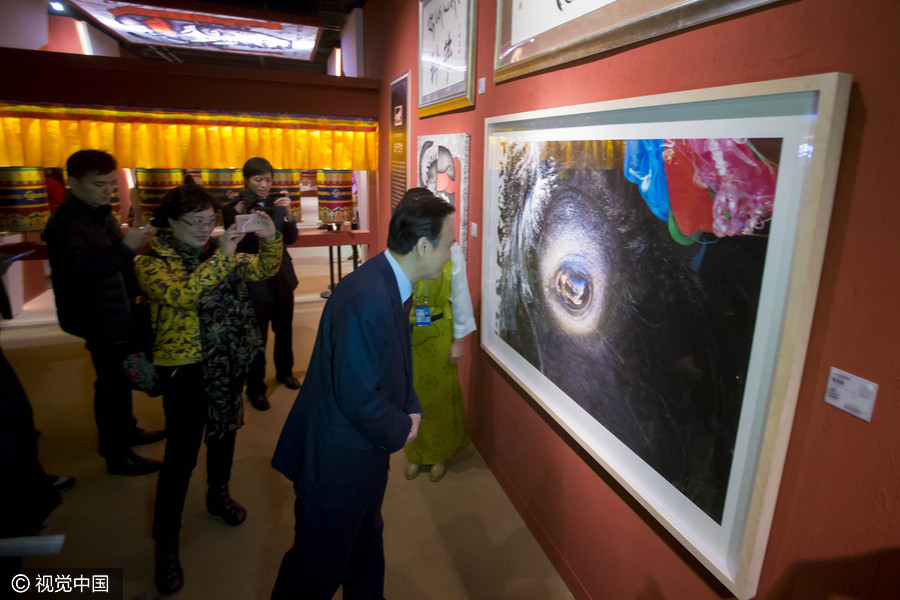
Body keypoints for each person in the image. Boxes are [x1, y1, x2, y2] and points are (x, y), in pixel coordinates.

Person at [270, 193, 456, 599]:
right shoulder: (369, 296)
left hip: (360, 453)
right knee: (316, 567)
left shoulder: (387, 282)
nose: (450, 253)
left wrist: (410, 408)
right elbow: (360, 395)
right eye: (449, 243)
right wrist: (402, 427)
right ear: (423, 245)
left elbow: (391, 366)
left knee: (365, 544)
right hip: (338, 458)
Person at [134, 181, 283, 595]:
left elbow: (261, 269)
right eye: (195, 222)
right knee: (181, 454)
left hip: (226, 360)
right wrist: (222, 255)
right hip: (184, 366)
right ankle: (166, 541)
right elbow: (181, 296)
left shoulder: (218, 251)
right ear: (170, 222)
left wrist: (270, 240)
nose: (205, 229)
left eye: (209, 221)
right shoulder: (151, 262)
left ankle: (219, 494)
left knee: (224, 434)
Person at [43, 149, 164, 477]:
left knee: (119, 380)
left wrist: (131, 246)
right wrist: (126, 247)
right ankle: (117, 454)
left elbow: (111, 259)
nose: (108, 190)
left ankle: (127, 432)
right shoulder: (66, 223)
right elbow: (81, 276)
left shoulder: (98, 213)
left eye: (111, 183)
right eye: (100, 184)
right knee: (111, 385)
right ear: (73, 182)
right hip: (97, 315)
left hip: (116, 309)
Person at [399, 188, 477, 483]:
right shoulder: (404, 247)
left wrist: (458, 340)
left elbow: (460, 296)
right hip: (409, 333)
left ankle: (438, 453)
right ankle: (416, 453)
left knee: (440, 398)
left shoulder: (450, 249)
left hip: (440, 331)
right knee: (411, 396)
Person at [222, 157, 300, 412]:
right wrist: (237, 220)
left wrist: (288, 214)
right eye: (258, 179)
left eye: (268, 179)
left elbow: (291, 239)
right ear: (246, 180)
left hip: (282, 278)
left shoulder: (277, 206)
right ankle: (255, 388)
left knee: (284, 330)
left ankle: (285, 372)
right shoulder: (234, 208)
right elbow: (238, 248)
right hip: (254, 282)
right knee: (256, 338)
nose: (264, 185)